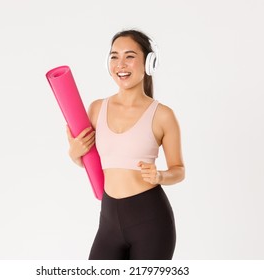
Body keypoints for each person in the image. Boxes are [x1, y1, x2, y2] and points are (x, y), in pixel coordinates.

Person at [65, 29, 185, 260]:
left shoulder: (163, 115)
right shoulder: (97, 109)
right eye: (114, 56)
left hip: (151, 221)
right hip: (108, 220)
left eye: (130, 56)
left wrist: (160, 176)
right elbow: (96, 162)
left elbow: (179, 170)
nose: (121, 64)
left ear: (149, 63)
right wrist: (74, 153)